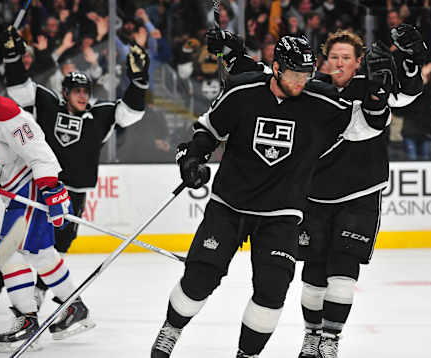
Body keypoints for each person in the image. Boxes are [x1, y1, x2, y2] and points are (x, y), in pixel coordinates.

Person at [150, 35, 390, 358]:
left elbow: (367, 125)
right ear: (276, 68)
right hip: (229, 205)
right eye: (294, 74)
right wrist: (192, 158)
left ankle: (247, 355)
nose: (301, 82)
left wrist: (376, 94)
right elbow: (208, 129)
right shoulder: (243, 90)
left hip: (283, 215)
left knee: (272, 291)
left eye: (307, 75)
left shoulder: (320, 101)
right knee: (200, 278)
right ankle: (171, 329)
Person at [206, 23, 425, 358]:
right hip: (313, 196)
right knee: (313, 276)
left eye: (346, 57)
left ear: (358, 61)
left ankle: (330, 341)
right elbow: (265, 77)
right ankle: (312, 336)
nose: (339, 63)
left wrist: (411, 59)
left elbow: (407, 94)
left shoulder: (374, 84)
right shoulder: (312, 88)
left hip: (360, 195)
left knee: (343, 272)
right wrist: (231, 52)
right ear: (323, 61)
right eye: (333, 56)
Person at [0, 26, 149, 308]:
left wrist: (139, 81)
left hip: (73, 192)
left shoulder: (100, 115)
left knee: (55, 245)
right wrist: (14, 57)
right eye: (76, 91)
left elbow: (130, 114)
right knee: (19, 241)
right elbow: (20, 90)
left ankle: (39, 293)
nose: (82, 96)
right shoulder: (48, 105)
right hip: (38, 185)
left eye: (85, 91)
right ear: (64, 92)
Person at [0, 67, 95, 353]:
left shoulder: (5, 114)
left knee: (10, 254)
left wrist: (51, 187)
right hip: (17, 192)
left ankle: (27, 322)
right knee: (41, 254)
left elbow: (37, 147)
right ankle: (75, 307)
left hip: (30, 187)